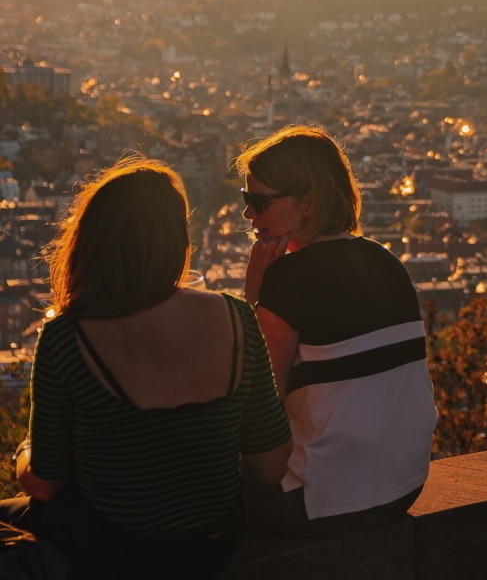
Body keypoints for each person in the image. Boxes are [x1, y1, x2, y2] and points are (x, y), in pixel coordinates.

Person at [1, 160, 291, 578]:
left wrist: (24, 455)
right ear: (176, 237)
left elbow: (45, 485)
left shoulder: (68, 337)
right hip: (214, 544)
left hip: (113, 550)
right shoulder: (236, 318)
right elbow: (271, 463)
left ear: (92, 241)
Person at [238, 126, 435, 537]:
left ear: (307, 203)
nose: (248, 215)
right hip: (405, 486)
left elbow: (258, 405)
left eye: (258, 202)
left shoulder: (288, 280)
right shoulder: (386, 262)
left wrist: (254, 299)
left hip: (325, 500)